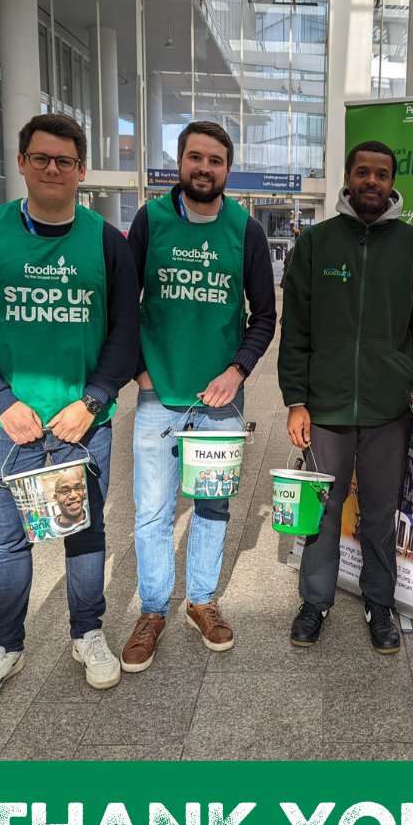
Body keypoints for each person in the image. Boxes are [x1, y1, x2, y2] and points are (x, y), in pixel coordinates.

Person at [0, 113, 139, 713]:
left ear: (81, 171)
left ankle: (87, 634)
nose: (52, 169)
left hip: (83, 423)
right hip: (8, 427)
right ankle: (4, 646)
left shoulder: (107, 242)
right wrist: (1, 404)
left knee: (82, 533)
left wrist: (94, 401)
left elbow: (126, 332)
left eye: (64, 160)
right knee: (8, 540)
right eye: (41, 158)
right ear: (23, 163)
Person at [123, 120, 275, 673]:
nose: (203, 168)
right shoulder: (152, 220)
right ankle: (154, 610)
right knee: (153, 510)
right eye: (194, 157)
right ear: (180, 162)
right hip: (158, 395)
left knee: (212, 504)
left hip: (220, 402)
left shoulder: (246, 230)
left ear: (227, 170)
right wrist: (140, 372)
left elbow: (265, 317)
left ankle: (203, 601)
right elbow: (124, 302)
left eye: (214, 160)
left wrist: (238, 370)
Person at [279, 139, 413, 653]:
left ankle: (380, 601)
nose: (373, 182)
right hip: (324, 406)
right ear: (348, 178)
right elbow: (296, 329)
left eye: (383, 174)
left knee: (378, 510)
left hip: (387, 408)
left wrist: (406, 385)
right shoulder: (316, 243)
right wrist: (296, 399)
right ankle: (315, 600)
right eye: (363, 173)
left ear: (394, 182)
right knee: (325, 508)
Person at [50, 466, 89, 535]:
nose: (74, 495)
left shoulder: (93, 518)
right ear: (56, 498)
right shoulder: (48, 532)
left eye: (78, 488)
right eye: (65, 491)